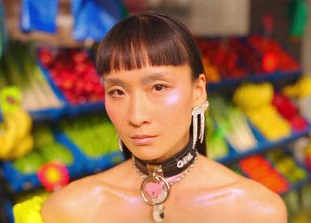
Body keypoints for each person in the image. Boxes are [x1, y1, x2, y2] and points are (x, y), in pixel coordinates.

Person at [14, 11, 287, 223]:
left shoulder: (257, 211)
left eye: (158, 87)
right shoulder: (68, 210)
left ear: (198, 91)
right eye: (118, 91)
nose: (136, 115)